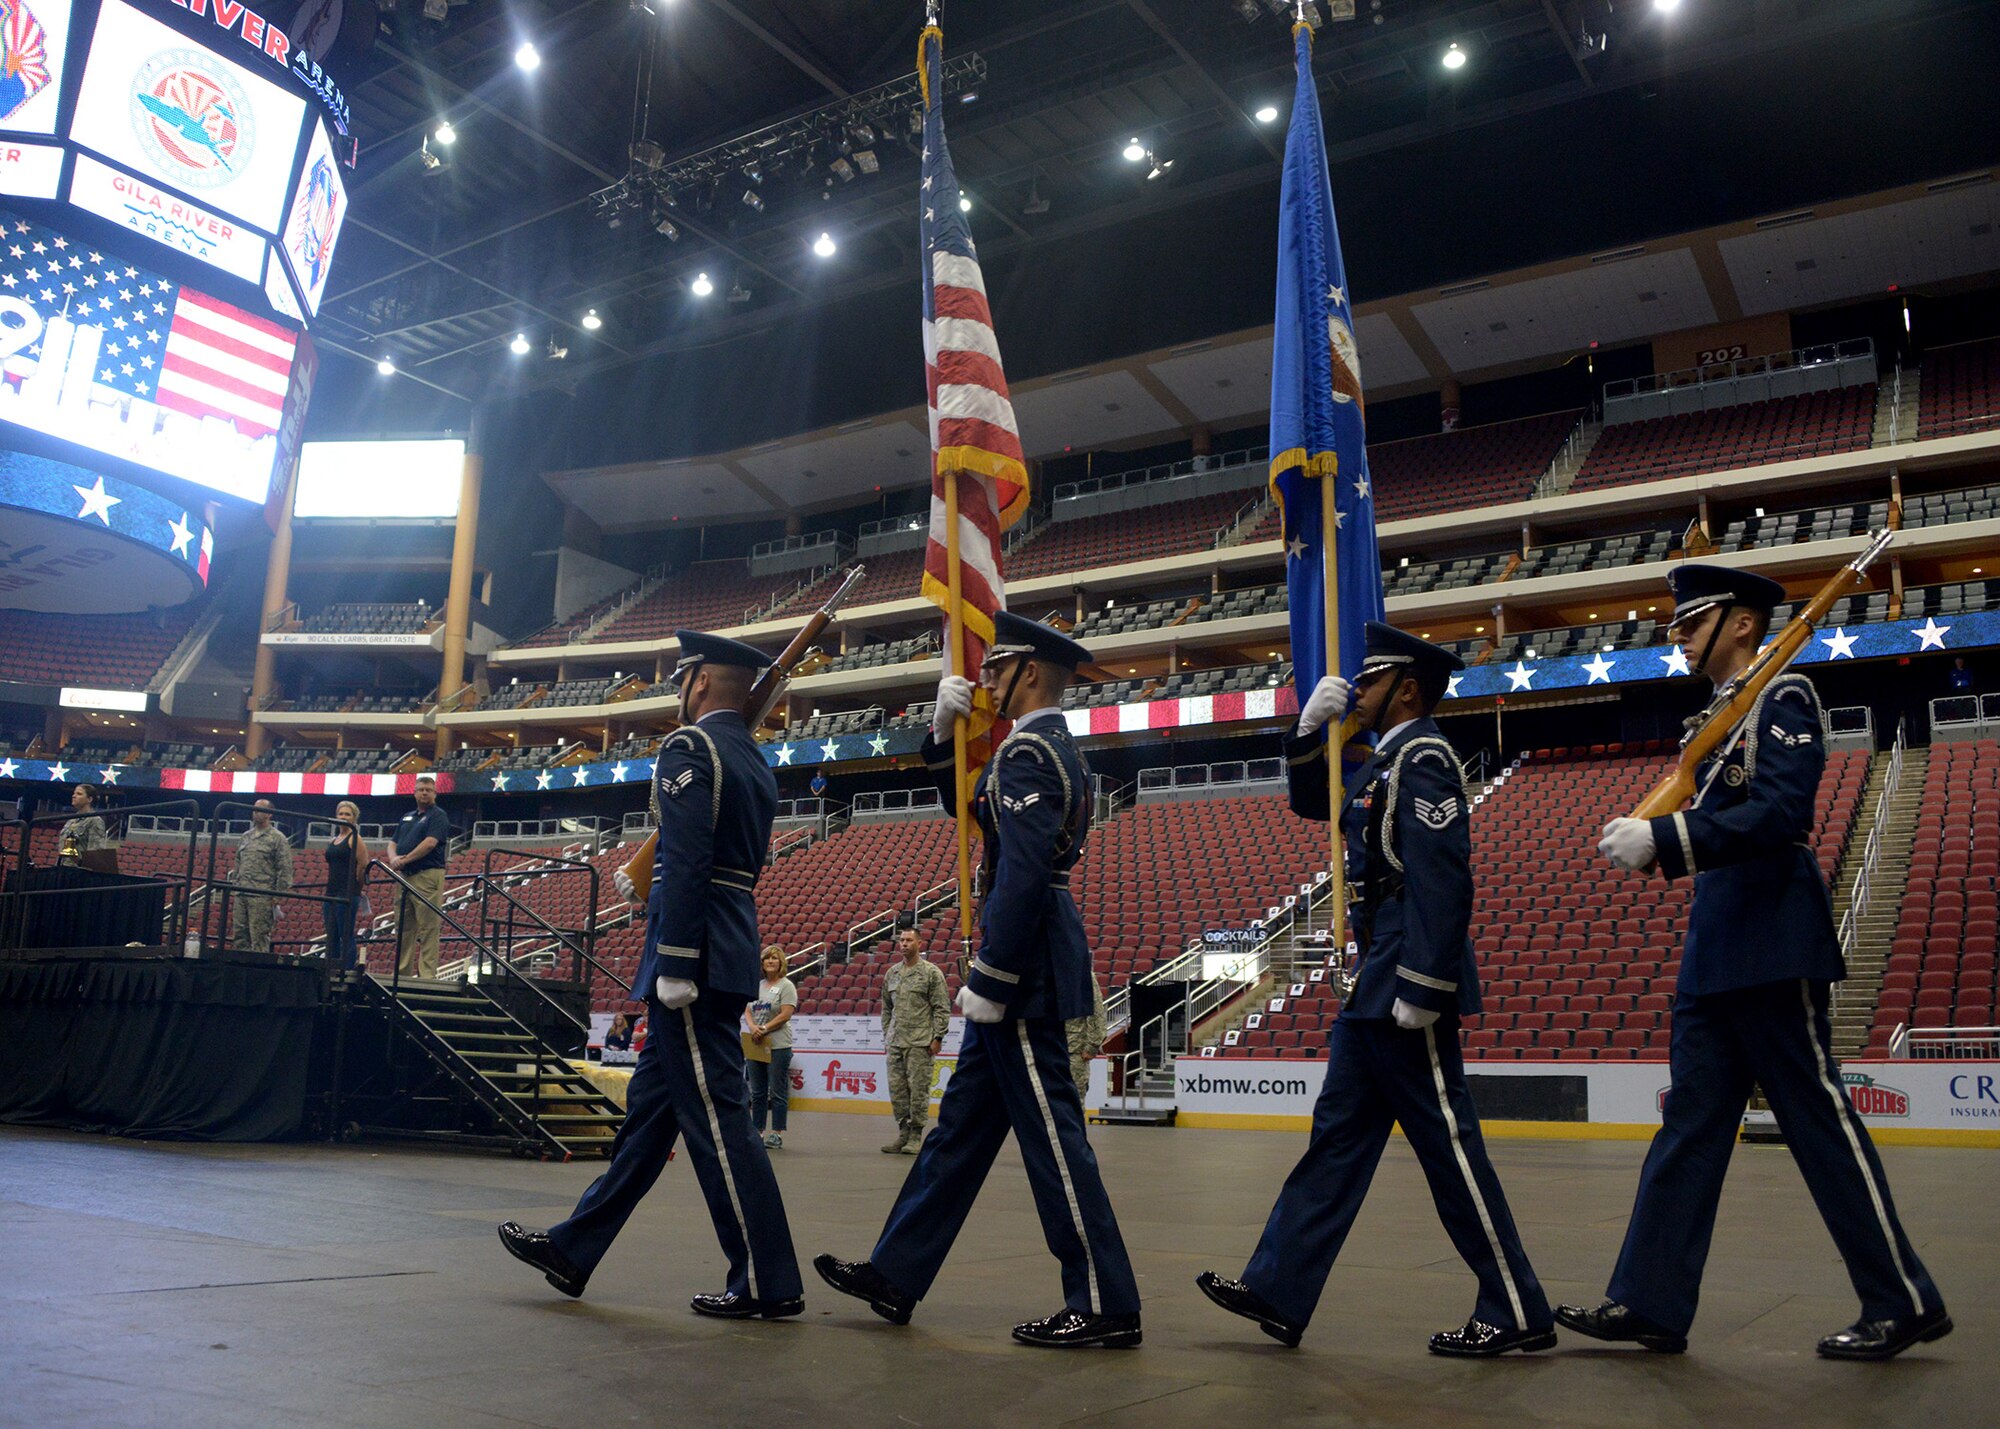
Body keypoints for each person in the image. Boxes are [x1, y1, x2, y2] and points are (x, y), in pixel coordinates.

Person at [1563, 565, 1950, 1360]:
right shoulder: (1713, 717)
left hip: (1774, 938)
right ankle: (1649, 1300)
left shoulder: (1784, 698)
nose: (1676, 636)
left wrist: (1667, 840)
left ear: (1741, 623)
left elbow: (1781, 812)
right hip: (1718, 943)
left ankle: (1902, 1299)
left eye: (1690, 621)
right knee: (1690, 1129)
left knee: (1818, 1124)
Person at [1198, 623, 1555, 1358]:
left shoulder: (1423, 758)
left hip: (1404, 974)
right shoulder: (1385, 762)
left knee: (1449, 1151)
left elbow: (1444, 879)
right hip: (1376, 977)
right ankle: (1278, 1285)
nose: (1357, 691)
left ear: (1408, 689)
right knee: (1336, 1141)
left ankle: (1516, 1304)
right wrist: (1305, 732)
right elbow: (1314, 804)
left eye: (1370, 681)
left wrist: (1427, 982)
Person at [816, 612, 1142, 1349]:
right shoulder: (1050, 748)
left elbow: (1021, 870)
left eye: (998, 669)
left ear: (1030, 672)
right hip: (1025, 949)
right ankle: (897, 1271)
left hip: (1022, 962)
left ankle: (1102, 1299)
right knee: (958, 1134)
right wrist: (940, 741)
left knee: (1056, 1140)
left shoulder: (1029, 750)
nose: (986, 680)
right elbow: (979, 819)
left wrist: (993, 974)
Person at [499, 630, 803, 1321]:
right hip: (724, 941)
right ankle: (575, 1248)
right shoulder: (752, 757)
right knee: (647, 1123)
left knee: (722, 1120)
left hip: (692, 958)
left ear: (698, 683)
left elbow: (691, 859)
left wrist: (675, 963)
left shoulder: (690, 747)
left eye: (684, 678)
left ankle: (764, 1276)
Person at [880, 924, 950, 1154]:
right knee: (898, 1091)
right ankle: (902, 1133)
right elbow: (886, 1008)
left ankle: (916, 1135)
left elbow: (941, 1007)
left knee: (918, 1091)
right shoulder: (892, 973)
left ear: (920, 944)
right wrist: (886, 1034)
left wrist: (937, 1036)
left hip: (920, 1042)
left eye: (909, 940)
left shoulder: (931, 973)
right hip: (896, 1041)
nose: (904, 944)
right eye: (902, 940)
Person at [384, 773, 450, 979]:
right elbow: (392, 842)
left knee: (428, 927)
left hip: (427, 875)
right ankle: (402, 974)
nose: (424, 793)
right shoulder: (407, 816)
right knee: (403, 927)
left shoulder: (438, 815)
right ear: (414, 792)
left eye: (428, 790)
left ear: (435, 794)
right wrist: (394, 858)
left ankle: (427, 976)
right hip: (404, 876)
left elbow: (430, 843)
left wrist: (403, 860)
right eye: (421, 789)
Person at [746, 945, 798, 1149]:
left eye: (774, 959)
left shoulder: (787, 986)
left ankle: (776, 1133)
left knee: (777, 1091)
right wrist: (752, 1028)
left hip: (778, 1045)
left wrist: (764, 1028)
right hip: (756, 1044)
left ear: (781, 963)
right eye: (766, 959)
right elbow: (747, 1010)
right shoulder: (756, 985)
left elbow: (785, 1014)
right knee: (757, 1092)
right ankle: (757, 1130)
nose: (770, 962)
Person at [233, 798, 295, 954]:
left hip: (262, 894)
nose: (255, 812)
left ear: (269, 814)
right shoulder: (246, 836)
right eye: (254, 809)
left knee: (259, 936)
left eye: (260, 809)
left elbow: (285, 868)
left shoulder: (277, 838)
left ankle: (257, 972)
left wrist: (277, 894)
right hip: (241, 892)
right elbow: (238, 861)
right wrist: (235, 882)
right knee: (240, 935)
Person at [322, 800, 370, 967]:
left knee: (345, 933)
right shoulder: (334, 839)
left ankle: (347, 968)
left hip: (347, 892)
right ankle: (332, 966)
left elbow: (363, 864)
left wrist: (357, 887)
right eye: (341, 813)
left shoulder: (355, 838)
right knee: (332, 934)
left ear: (354, 818)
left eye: (347, 814)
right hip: (331, 892)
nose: (343, 817)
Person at [1066, 970, 1107, 1102]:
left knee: (1074, 1099)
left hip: (1074, 1048)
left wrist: (1092, 1045)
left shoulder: (1081, 973)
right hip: (1047, 1047)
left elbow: (1095, 1009)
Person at [58, 783, 110, 860]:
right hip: (62, 866)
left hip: (78, 869)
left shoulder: (95, 820)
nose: (74, 796)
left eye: (79, 794)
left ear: (89, 799)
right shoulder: (71, 820)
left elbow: (94, 852)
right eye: (74, 793)